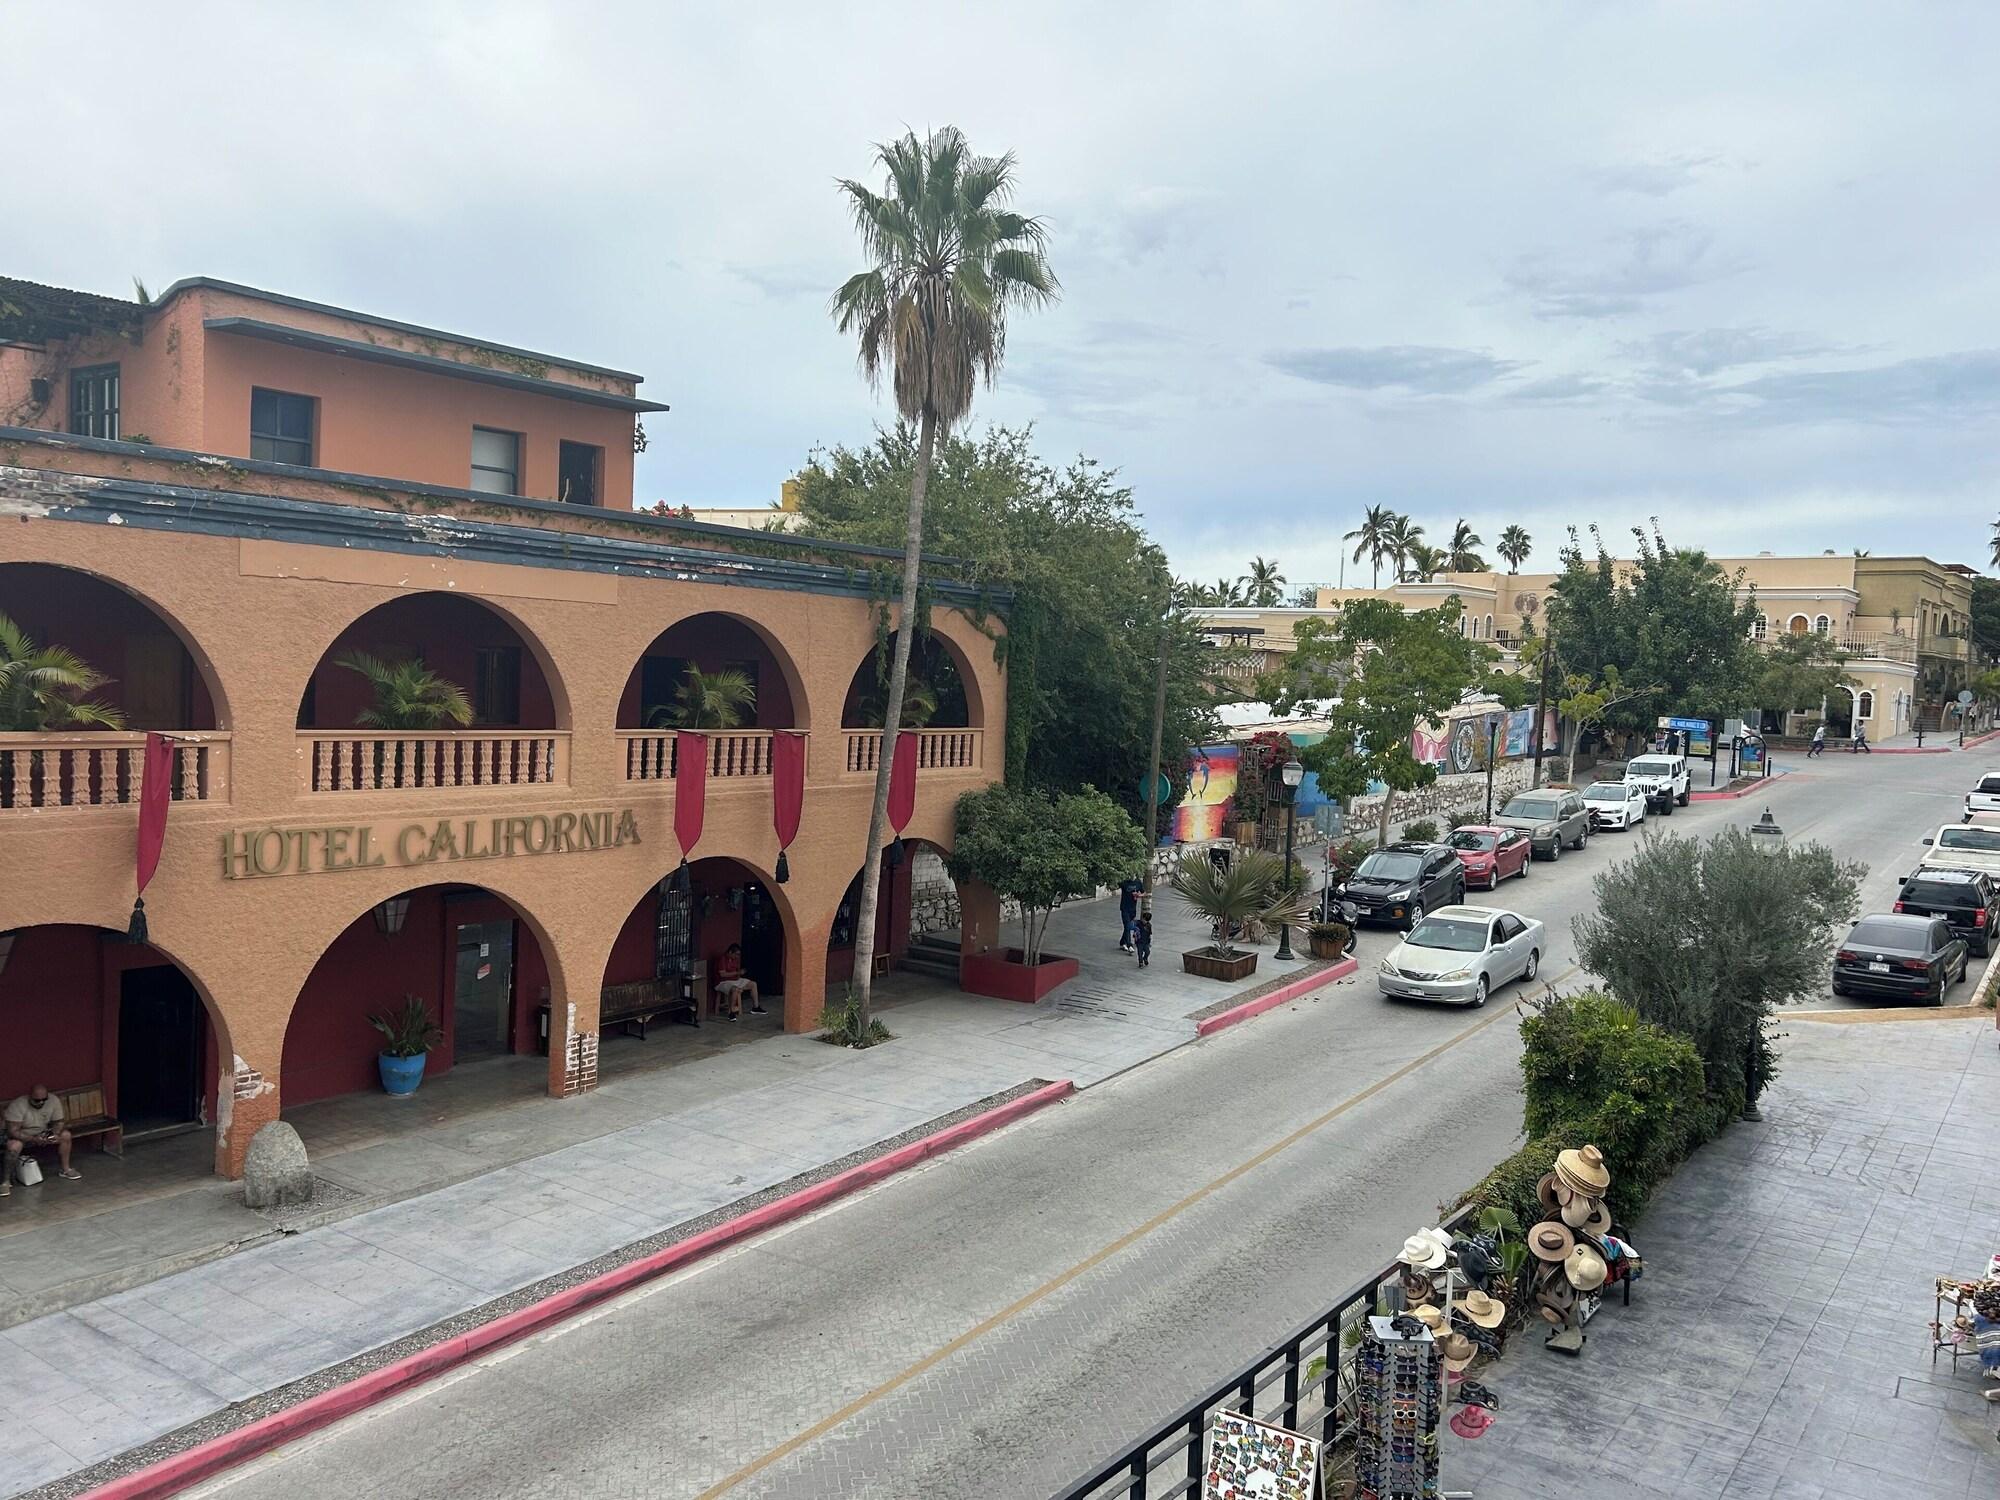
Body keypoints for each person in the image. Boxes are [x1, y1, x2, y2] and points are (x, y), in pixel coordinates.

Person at [4, 1084, 79, 1194]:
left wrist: (54, 1134)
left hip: (43, 1132)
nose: (41, 1102)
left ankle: (66, 1169)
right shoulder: (18, 1105)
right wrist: (33, 1139)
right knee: (13, 1146)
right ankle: (5, 1181)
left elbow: (59, 1122)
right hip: (23, 1134)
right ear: (30, 1096)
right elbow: (13, 1131)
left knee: (65, 1135)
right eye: (37, 1100)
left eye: (44, 1099)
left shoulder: (53, 1100)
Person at [711, 943, 764, 1021]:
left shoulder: (735, 960)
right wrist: (737, 973)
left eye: (738, 955)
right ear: (730, 952)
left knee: (753, 984)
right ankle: (731, 1012)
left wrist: (740, 973)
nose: (737, 956)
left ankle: (756, 1007)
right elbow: (723, 974)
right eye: (736, 954)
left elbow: (736, 972)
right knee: (735, 989)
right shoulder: (722, 959)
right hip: (722, 982)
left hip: (734, 980)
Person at [1118, 878, 1142, 952]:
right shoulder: (1124, 882)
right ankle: (1129, 945)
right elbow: (1117, 883)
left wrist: (1138, 895)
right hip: (1124, 908)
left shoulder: (1138, 882)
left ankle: (1122, 942)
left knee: (1127, 927)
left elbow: (1144, 892)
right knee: (1127, 925)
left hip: (1133, 909)